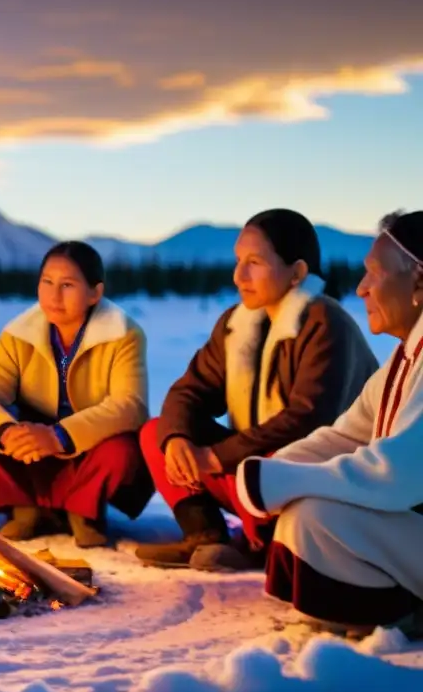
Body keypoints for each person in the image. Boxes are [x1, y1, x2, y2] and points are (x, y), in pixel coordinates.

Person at [134, 209, 377, 571]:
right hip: (252, 468)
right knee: (158, 433)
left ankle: (265, 545)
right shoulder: (238, 323)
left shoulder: (325, 322)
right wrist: (178, 441)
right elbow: (188, 392)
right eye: (238, 261)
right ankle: (204, 535)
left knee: (276, 457)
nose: (239, 275)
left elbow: (306, 420)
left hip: (319, 477)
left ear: (296, 273)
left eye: (255, 262)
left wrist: (217, 458)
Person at [234, 211, 423, 637]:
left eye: (374, 274)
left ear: (419, 284)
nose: (361, 289)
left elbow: (397, 473)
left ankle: (402, 615)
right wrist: (280, 468)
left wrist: (287, 480)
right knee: (305, 512)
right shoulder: (406, 355)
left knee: (317, 516)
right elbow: (347, 434)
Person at [0, 241, 153, 547]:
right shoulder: (20, 334)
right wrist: (8, 432)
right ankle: (24, 508)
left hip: (86, 449)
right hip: (33, 454)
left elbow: (130, 405)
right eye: (46, 282)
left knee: (122, 449)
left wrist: (59, 436)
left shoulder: (122, 334)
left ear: (95, 294)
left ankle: (84, 512)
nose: (53, 295)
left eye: (68, 285)